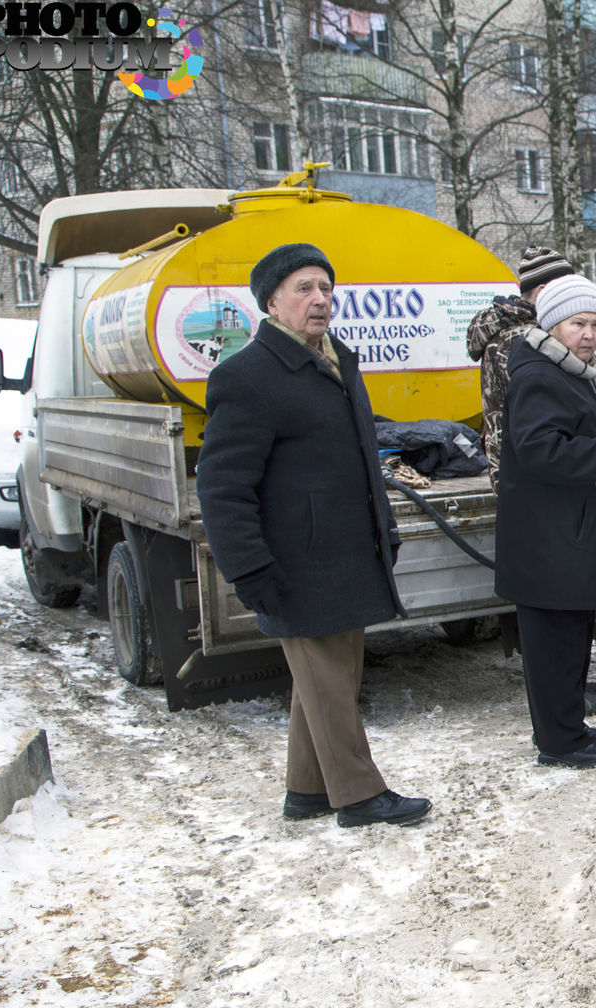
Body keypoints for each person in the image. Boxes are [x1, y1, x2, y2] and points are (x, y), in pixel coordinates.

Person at [197, 243, 431, 828]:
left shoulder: (334, 361)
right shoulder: (247, 377)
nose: (320, 299)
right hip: (296, 563)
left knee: (327, 677)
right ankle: (358, 795)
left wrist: (387, 529)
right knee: (329, 680)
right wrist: (247, 568)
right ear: (272, 301)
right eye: (304, 288)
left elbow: (359, 458)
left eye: (326, 288)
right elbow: (222, 487)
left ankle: (306, 790)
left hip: (346, 553)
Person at [492, 275, 596, 769]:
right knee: (554, 645)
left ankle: (569, 725)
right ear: (552, 324)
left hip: (568, 534)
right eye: (578, 323)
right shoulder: (539, 375)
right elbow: (539, 450)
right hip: (548, 539)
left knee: (572, 639)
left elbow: (567, 428)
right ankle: (558, 742)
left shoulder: (567, 371)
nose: (589, 334)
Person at [469, 246, 578, 493]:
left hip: (526, 473)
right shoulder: (524, 340)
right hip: (531, 478)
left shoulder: (516, 334)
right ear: (543, 292)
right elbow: (551, 414)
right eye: (565, 291)